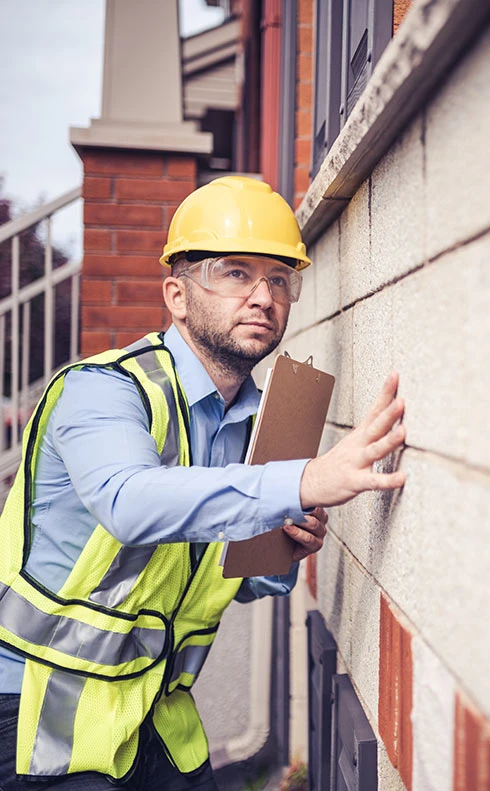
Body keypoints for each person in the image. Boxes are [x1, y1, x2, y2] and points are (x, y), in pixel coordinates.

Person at [0, 176, 405, 790]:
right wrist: (301, 481)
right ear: (178, 295)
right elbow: (130, 504)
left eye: (279, 279)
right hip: (41, 712)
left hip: (154, 712)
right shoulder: (101, 390)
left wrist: (281, 549)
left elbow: (218, 576)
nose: (263, 297)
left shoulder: (260, 419)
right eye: (235, 273)